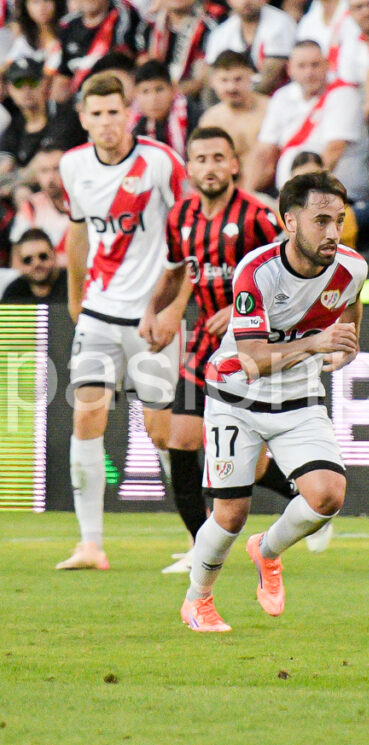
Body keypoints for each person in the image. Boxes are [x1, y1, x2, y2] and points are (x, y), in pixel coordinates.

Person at [179, 170, 367, 632]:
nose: (331, 232)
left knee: (327, 497)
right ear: (289, 222)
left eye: (338, 221)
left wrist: (349, 341)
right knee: (230, 513)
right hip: (235, 398)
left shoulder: (352, 267)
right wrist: (318, 343)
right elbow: (253, 360)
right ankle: (197, 601)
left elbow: (352, 301)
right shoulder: (257, 272)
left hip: (299, 400)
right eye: (320, 220)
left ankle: (266, 550)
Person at [140, 127, 311, 575]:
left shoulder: (257, 216)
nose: (210, 167)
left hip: (255, 345)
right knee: (179, 439)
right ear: (189, 167)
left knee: (248, 462)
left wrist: (241, 316)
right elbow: (179, 272)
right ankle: (201, 547)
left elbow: (289, 278)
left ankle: (305, 496)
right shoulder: (181, 216)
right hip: (204, 346)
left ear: (234, 164)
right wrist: (153, 310)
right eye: (200, 159)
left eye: (219, 157)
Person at [57, 73, 188, 570]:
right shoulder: (73, 167)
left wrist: (175, 309)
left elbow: (189, 236)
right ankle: (90, 543)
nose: (107, 122)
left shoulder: (158, 162)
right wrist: (76, 302)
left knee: (164, 433)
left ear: (129, 113)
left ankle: (200, 537)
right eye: (97, 113)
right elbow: (78, 236)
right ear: (84, 118)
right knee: (86, 415)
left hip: (150, 318)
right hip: (98, 312)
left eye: (116, 111)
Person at [244, 41, 357, 195]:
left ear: (327, 65)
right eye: (302, 66)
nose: (309, 73)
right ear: (289, 69)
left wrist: (305, 197)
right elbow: (264, 151)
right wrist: (247, 195)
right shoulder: (282, 96)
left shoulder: (343, 94)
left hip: (332, 196)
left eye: (315, 65)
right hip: (287, 197)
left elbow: (334, 150)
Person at [0, 58, 86, 172]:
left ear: (43, 83)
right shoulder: (14, 126)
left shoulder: (65, 115)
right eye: (18, 83)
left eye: (32, 81)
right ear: (9, 89)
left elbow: (47, 163)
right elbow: (5, 166)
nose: (26, 89)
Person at [52, 0, 146, 102]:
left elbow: (123, 59)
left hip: (113, 88)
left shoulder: (122, 13)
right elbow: (64, 73)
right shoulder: (68, 24)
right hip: (80, 95)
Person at [198, 51, 269, 182]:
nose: (231, 87)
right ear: (213, 82)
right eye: (224, 80)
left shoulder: (270, 110)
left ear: (251, 76)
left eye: (238, 79)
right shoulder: (210, 120)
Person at [203, 0, 296, 95]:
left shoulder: (281, 23)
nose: (246, 2)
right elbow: (212, 76)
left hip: (275, 97)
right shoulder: (220, 33)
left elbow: (271, 77)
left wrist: (247, 102)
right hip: (232, 98)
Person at [143, 0, 227, 100]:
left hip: (197, 102)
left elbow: (206, 76)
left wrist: (170, 95)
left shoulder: (214, 24)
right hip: (158, 100)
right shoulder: (149, 25)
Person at [131, 61, 203, 159]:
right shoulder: (136, 125)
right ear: (136, 95)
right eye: (145, 91)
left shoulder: (196, 118)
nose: (153, 99)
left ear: (173, 89)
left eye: (159, 89)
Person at [9, 143, 71, 254]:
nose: (51, 177)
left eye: (57, 169)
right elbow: (17, 252)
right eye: (44, 171)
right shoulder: (31, 206)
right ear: (36, 175)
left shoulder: (84, 203)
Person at [0, 227, 67, 303]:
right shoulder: (14, 292)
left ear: (54, 255)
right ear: (20, 263)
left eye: (43, 256)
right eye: (27, 260)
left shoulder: (71, 285)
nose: (37, 264)